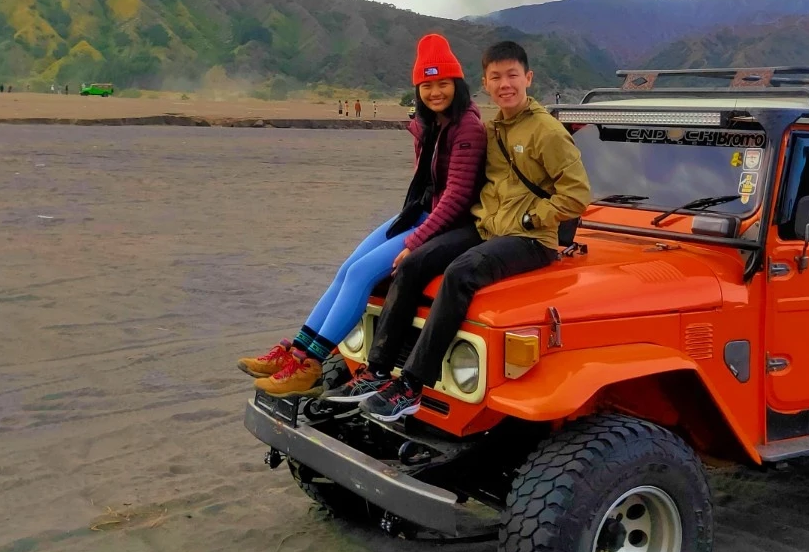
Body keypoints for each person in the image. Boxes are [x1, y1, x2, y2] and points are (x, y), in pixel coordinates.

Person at [331, 41, 591, 421]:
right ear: (485, 83)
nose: (505, 84)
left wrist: (531, 220)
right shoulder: (494, 128)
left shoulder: (546, 131)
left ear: (528, 78)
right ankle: (378, 370)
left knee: (460, 273)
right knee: (413, 263)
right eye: (496, 77)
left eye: (512, 75)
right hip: (488, 227)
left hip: (529, 240)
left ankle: (412, 386)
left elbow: (578, 195)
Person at [238, 34, 486, 395]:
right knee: (346, 268)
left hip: (443, 221)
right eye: (426, 85)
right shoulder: (430, 123)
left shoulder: (467, 127)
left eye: (442, 83)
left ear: (457, 84)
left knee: (361, 274)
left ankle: (311, 365)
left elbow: (458, 196)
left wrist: (415, 242)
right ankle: (295, 350)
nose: (435, 92)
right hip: (418, 212)